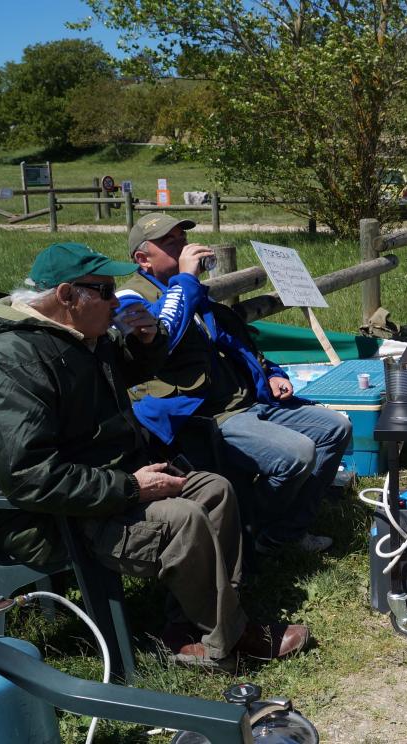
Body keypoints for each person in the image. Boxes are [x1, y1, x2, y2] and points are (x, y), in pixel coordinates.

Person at [0, 242, 309, 671]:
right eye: (104, 291)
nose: (116, 300)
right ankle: (227, 643)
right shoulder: (10, 364)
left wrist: (146, 340)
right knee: (184, 518)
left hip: (100, 484)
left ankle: (194, 627)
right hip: (46, 516)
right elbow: (30, 477)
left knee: (213, 489)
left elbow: (118, 372)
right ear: (66, 295)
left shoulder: (74, 334)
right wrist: (131, 488)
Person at [118, 213, 352, 556]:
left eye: (183, 239)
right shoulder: (129, 299)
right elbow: (161, 341)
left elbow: (236, 344)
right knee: (297, 455)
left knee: (336, 428)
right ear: (143, 258)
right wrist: (185, 279)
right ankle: (246, 529)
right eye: (171, 243)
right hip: (205, 416)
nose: (184, 246)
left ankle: (284, 532)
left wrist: (272, 373)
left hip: (249, 402)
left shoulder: (192, 291)